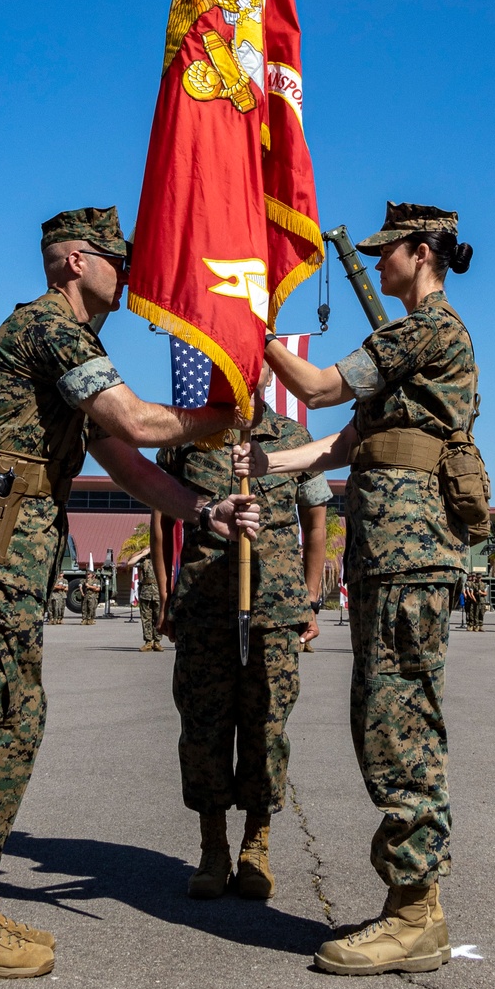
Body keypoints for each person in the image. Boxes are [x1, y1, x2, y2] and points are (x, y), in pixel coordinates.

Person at [0, 206, 259, 980]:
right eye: (115, 259)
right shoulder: (48, 328)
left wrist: (203, 509)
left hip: (5, 561)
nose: (128, 273)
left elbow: (127, 466)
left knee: (11, 719)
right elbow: (132, 421)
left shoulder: (74, 346)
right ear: (75, 260)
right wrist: (226, 410)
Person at [234, 201, 476, 976]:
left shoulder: (426, 328)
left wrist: (250, 329)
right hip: (389, 554)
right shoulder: (415, 341)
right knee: (384, 714)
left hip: (409, 555)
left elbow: (319, 384)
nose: (376, 265)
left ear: (419, 251)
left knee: (398, 721)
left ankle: (414, 913)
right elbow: (343, 442)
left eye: (385, 253)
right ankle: (411, 905)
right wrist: (269, 465)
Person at [153, 364, 329, 902]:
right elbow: (162, 515)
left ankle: (257, 846)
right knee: (203, 729)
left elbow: (316, 520)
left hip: (274, 609)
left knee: (266, 727)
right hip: (204, 607)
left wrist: (310, 597)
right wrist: (166, 595)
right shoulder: (186, 434)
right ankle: (213, 849)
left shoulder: (292, 441)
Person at [136, 555, 162, 652]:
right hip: (145, 593)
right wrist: (143, 551)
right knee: (146, 618)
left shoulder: (162, 558)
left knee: (158, 617)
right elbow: (130, 562)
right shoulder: (144, 560)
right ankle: (148, 642)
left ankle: (157, 642)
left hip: (158, 593)